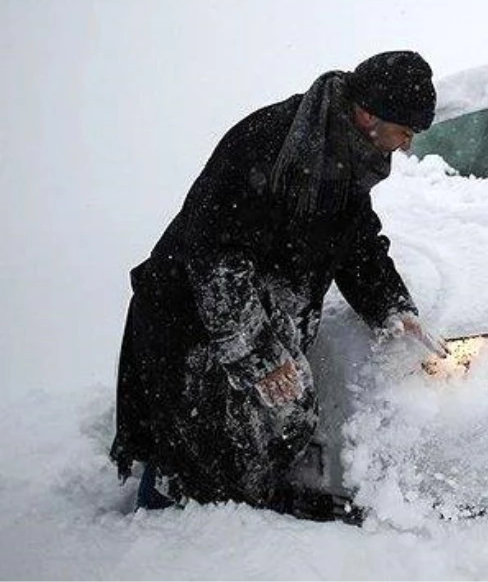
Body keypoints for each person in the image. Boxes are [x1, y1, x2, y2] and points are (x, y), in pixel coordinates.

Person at [110, 51, 448, 518]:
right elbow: (216, 261)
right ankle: (161, 537)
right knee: (197, 453)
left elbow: (356, 243)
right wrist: (262, 357)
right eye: (406, 133)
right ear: (369, 114)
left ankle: (238, 518)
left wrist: (393, 307)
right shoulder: (270, 144)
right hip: (194, 322)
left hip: (251, 316)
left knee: (274, 426)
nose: (407, 147)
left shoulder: (348, 155)